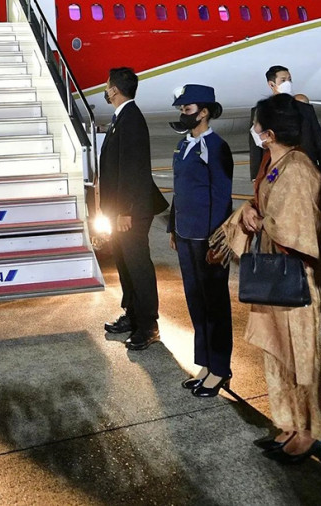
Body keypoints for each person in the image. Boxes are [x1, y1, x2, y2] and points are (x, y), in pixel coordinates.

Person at [212, 92, 321, 465]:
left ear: (267, 133)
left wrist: (259, 220)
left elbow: (297, 228)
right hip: (273, 275)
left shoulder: (297, 168)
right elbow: (267, 206)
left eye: (257, 125)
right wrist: (250, 210)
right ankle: (287, 425)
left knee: (300, 358)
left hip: (294, 280)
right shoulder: (276, 163)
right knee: (278, 355)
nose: (254, 130)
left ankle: (309, 432)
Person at [166, 84, 235, 397]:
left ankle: (220, 369)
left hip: (208, 240)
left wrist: (218, 241)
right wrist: (172, 228)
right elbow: (178, 192)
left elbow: (222, 198)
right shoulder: (184, 145)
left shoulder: (216, 147)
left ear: (204, 111)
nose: (183, 113)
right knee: (196, 303)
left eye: (188, 108)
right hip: (186, 235)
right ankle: (205, 363)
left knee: (215, 305)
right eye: (181, 108)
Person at [250, 66, 321, 307]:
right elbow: (257, 155)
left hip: (305, 183)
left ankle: (320, 288)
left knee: (318, 238)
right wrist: (255, 191)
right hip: (277, 185)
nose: (288, 83)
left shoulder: (302, 113)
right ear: (271, 84)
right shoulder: (262, 115)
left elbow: (319, 141)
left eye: (289, 79)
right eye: (283, 80)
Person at [99, 67, 169, 350]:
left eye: (107, 85)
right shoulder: (121, 118)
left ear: (114, 89)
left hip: (131, 210)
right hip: (120, 210)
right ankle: (133, 314)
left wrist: (125, 210)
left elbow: (134, 170)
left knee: (137, 264)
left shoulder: (132, 120)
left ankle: (149, 324)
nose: (105, 89)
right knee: (124, 262)